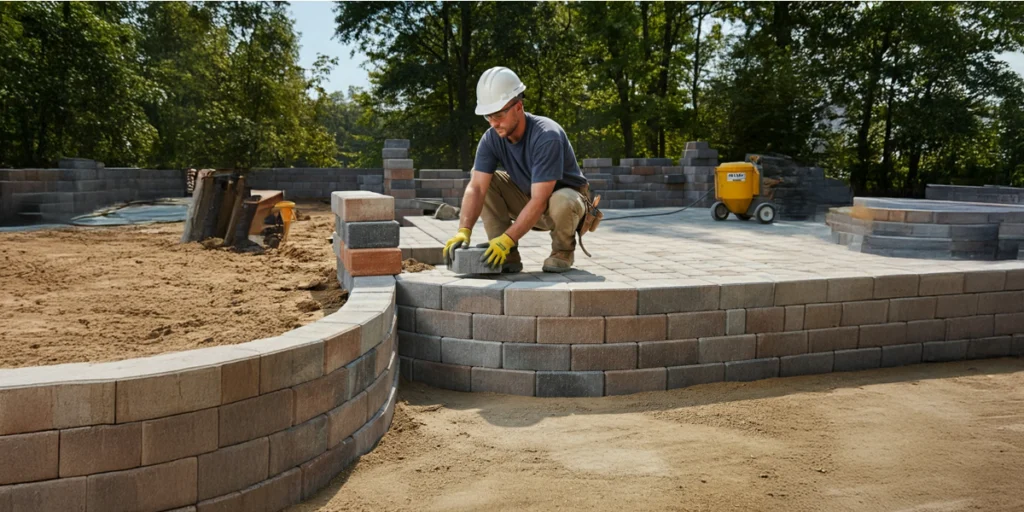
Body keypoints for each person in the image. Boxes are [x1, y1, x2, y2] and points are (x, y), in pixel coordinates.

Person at [443, 66, 591, 273]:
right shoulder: (491, 139)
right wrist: (463, 230)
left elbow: (540, 200)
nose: (493, 123)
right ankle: (507, 254)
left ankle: (562, 251)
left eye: (499, 115)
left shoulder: (547, 135)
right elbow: (476, 188)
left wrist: (508, 237)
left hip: (565, 206)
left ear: (518, 106)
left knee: (562, 198)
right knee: (486, 181)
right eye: (488, 116)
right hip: (530, 199)